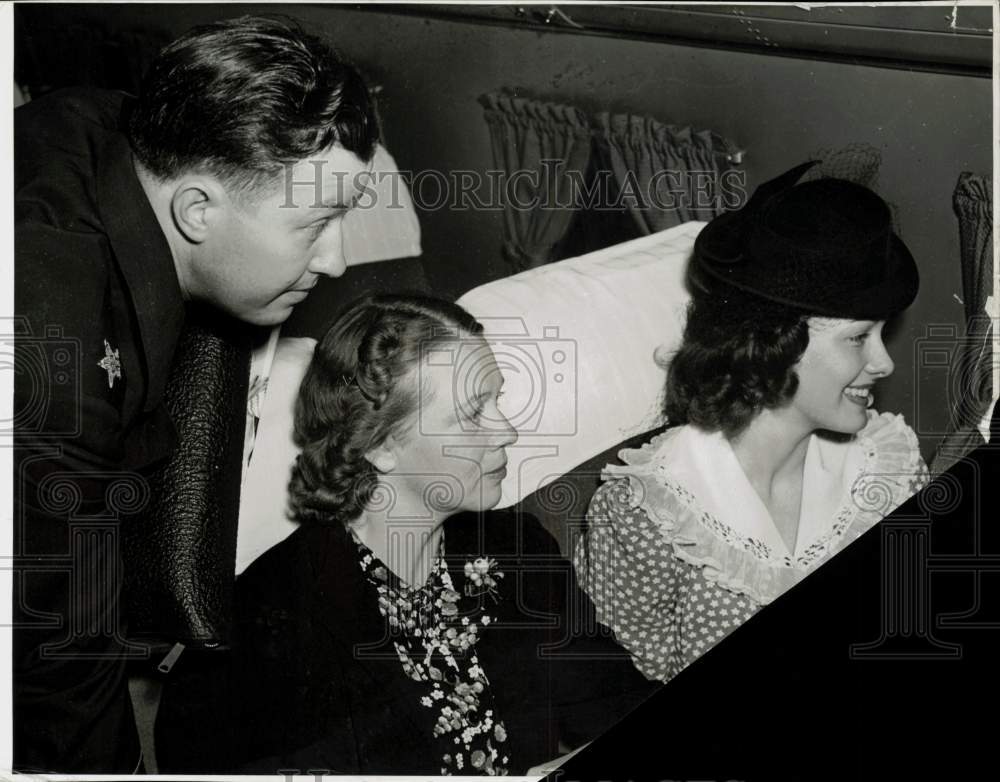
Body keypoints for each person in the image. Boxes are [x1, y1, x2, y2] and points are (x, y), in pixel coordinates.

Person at [13, 15, 378, 773]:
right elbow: (59, 657)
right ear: (197, 211)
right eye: (316, 224)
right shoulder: (55, 372)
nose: (338, 261)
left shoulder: (100, 118)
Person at [204, 294, 655, 775]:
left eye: (496, 400)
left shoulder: (517, 548)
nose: (507, 432)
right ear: (378, 445)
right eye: (471, 414)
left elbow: (620, 703)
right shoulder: (270, 616)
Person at [573, 162, 930, 684]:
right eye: (858, 338)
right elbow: (617, 692)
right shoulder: (650, 512)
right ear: (776, 343)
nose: (884, 362)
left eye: (882, 334)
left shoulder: (888, 471)